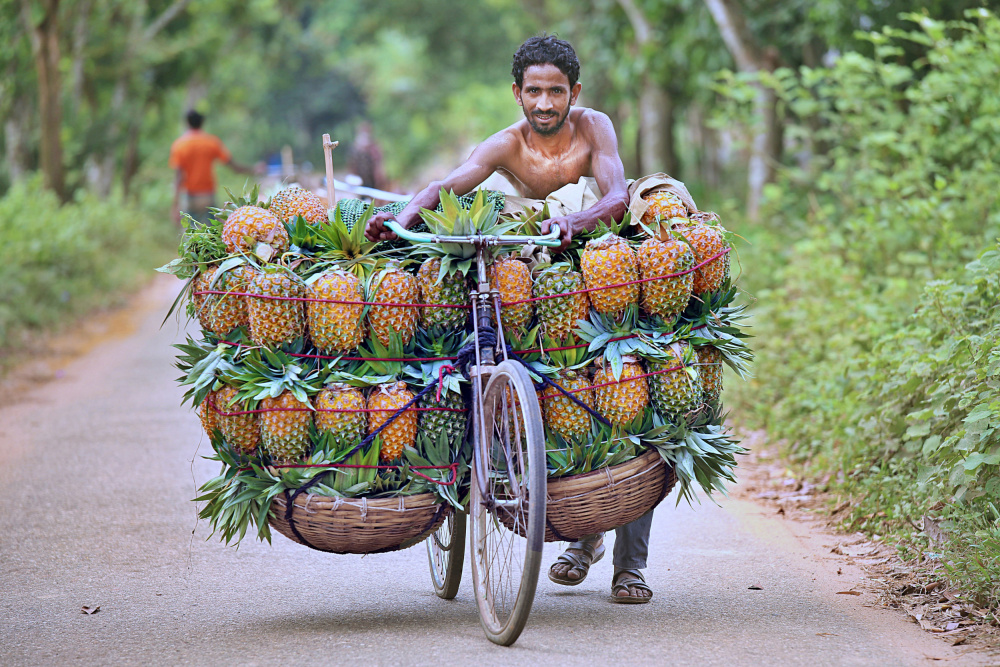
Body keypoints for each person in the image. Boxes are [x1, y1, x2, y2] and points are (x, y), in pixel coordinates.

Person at [367, 35, 698, 603]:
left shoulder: (595, 128)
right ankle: (579, 535)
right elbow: (447, 184)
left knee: (631, 392)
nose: (545, 104)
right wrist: (402, 214)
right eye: (534, 92)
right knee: (563, 402)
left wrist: (581, 221)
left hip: (601, 264)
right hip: (532, 275)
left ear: (574, 93)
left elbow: (617, 193)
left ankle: (630, 566)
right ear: (517, 93)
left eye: (557, 92)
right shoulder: (505, 145)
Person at [169, 110, 259, 226]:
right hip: (207, 195)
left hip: (190, 196)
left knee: (192, 234)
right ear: (202, 123)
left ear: (188, 123)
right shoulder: (211, 142)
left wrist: (175, 205)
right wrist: (253, 169)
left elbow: (179, 177)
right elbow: (233, 166)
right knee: (213, 232)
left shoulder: (179, 145)